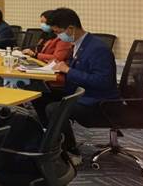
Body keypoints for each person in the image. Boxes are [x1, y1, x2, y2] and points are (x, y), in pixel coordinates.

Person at [45, 8, 119, 160]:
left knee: (54, 109)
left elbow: (102, 82)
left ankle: (71, 151)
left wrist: (68, 70)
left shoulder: (98, 49)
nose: (58, 36)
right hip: (80, 92)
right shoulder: (80, 44)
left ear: (70, 28)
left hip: (98, 102)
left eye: (58, 32)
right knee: (42, 95)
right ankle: (52, 140)